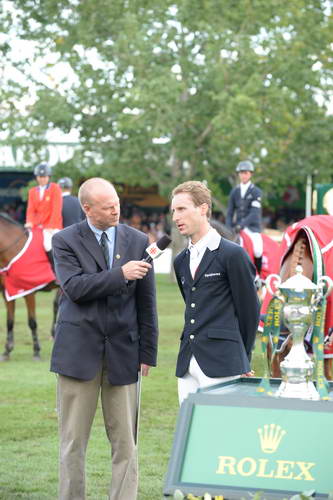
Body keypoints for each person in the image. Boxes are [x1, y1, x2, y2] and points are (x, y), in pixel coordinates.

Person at [50, 177, 159, 500]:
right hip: (77, 354)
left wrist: (148, 352)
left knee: (126, 443)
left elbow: (146, 302)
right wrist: (120, 274)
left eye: (117, 204)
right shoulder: (64, 240)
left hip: (125, 354)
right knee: (72, 443)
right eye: (108, 206)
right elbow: (76, 288)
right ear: (87, 209)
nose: (116, 210)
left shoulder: (138, 240)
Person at [171, 180, 260, 404]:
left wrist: (243, 359)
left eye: (181, 209)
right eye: (173, 211)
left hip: (223, 362)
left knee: (220, 434)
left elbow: (249, 311)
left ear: (203, 209)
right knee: (189, 435)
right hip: (186, 364)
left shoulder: (233, 254)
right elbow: (193, 302)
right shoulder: (180, 260)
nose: (175, 217)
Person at [226, 160, 263, 274]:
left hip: (252, 228)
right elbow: (230, 212)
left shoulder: (256, 191)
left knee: (258, 249)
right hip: (236, 228)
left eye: (246, 173)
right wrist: (229, 227)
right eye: (241, 173)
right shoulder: (234, 191)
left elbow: (254, 213)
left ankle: (258, 276)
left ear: (250, 174)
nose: (243, 175)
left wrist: (241, 225)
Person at [25, 162, 63, 266]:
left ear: (48, 177)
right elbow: (31, 209)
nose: (42, 179)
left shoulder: (55, 188)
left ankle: (56, 271)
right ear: (37, 177)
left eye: (44, 177)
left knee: (47, 245)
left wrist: (50, 226)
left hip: (52, 225)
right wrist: (29, 222)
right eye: (40, 177)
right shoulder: (32, 191)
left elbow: (56, 209)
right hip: (38, 225)